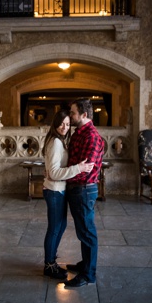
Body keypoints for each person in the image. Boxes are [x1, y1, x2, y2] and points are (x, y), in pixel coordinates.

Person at [41, 110, 94, 280]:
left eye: (67, 123)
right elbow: (55, 173)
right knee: (55, 229)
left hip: (57, 189)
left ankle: (51, 262)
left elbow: (52, 169)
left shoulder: (58, 140)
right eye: (61, 123)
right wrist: (79, 168)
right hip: (55, 191)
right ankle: (49, 266)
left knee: (59, 227)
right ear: (55, 124)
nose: (65, 127)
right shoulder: (56, 142)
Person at [63, 98, 105, 288]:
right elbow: (74, 163)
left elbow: (84, 170)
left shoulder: (92, 137)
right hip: (75, 188)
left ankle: (88, 274)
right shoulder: (78, 133)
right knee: (82, 231)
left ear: (84, 114)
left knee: (88, 232)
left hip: (83, 189)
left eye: (72, 113)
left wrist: (67, 174)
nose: (70, 116)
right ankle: (84, 264)